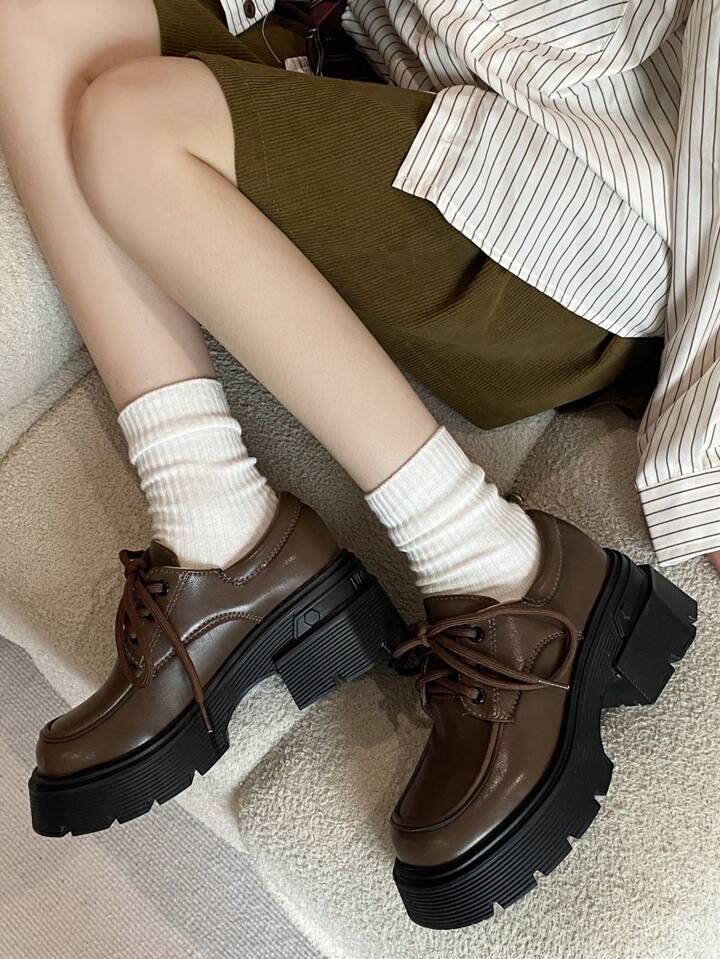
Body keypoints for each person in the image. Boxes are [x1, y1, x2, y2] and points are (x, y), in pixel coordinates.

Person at [0, 0, 703, 929]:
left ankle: (495, 561)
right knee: (37, 16)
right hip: (391, 70)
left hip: (575, 216)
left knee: (130, 133)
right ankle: (217, 524)